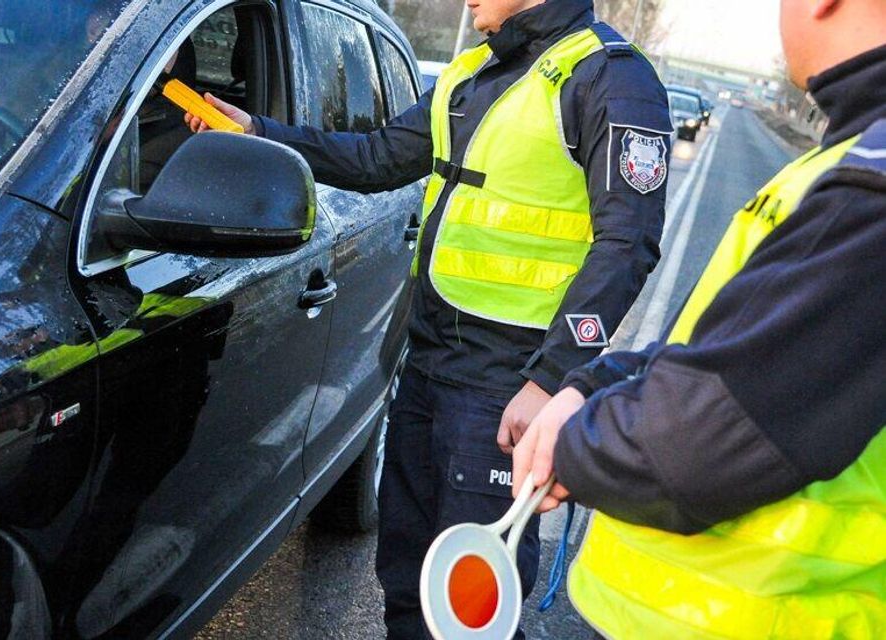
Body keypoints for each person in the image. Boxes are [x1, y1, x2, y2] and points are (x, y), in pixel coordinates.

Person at [188, 0, 670, 636]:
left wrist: (552, 380)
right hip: (429, 365)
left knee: (470, 611)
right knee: (411, 580)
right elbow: (376, 158)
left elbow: (627, 243)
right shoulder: (473, 71)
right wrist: (258, 134)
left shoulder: (610, 76)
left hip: (509, 385)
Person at [510, 0, 886, 637]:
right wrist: (591, 385)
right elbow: (713, 343)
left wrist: (565, 451)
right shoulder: (844, 158)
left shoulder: (868, 184)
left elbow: (702, 440)